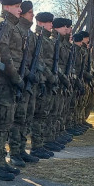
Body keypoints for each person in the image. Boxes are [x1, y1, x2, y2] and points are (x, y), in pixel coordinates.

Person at [0, 0, 24, 180]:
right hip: (4, 81)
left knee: (6, 123)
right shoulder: (3, 24)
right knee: (0, 124)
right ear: (8, 6)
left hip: (10, 81)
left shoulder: (11, 25)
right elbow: (5, 55)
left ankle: (1, 161)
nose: (20, 10)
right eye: (18, 6)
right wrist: (16, 78)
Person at [7, 0, 40, 166]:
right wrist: (25, 75)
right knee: (17, 118)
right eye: (30, 12)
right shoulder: (17, 30)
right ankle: (14, 152)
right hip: (18, 80)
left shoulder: (29, 34)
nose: (32, 15)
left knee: (26, 118)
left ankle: (21, 149)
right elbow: (15, 59)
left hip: (27, 81)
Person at [30, 11, 59, 158]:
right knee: (38, 115)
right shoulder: (38, 38)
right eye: (49, 22)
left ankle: (41, 144)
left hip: (46, 81)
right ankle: (36, 146)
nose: (51, 25)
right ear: (41, 23)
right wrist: (50, 76)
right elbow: (40, 62)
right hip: (41, 80)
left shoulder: (47, 40)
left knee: (44, 114)